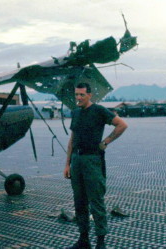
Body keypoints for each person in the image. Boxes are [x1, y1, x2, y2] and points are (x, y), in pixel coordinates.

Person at [64, 82, 128, 249]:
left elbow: (122, 125)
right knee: (79, 201)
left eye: (82, 95)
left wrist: (106, 141)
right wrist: (67, 164)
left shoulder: (99, 110)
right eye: (76, 94)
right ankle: (83, 240)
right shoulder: (76, 112)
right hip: (77, 160)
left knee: (96, 201)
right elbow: (72, 140)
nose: (78, 98)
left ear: (90, 95)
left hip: (92, 160)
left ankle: (100, 243)